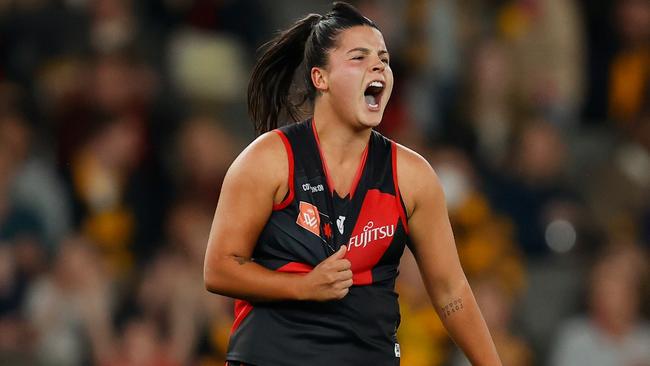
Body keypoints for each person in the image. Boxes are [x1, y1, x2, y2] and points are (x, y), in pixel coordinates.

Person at [203, 2, 501, 365]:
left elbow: (451, 291)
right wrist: (303, 287)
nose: (378, 66)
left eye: (384, 59)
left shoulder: (411, 176)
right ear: (320, 78)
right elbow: (219, 268)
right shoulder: (269, 159)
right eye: (359, 57)